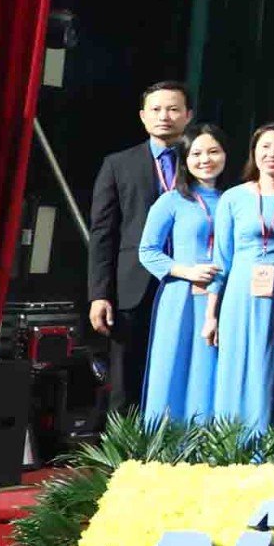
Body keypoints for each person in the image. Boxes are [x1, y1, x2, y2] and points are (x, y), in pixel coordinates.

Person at [88, 80, 192, 410]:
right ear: (143, 116)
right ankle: (123, 443)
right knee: (126, 380)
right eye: (156, 109)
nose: (165, 116)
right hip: (133, 286)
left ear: (188, 116)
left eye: (173, 109)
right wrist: (99, 294)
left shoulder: (202, 161)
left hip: (189, 282)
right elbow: (103, 233)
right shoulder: (118, 165)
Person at [206, 123, 274, 433]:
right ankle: (228, 445)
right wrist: (211, 315)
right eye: (265, 146)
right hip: (238, 297)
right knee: (234, 370)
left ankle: (267, 445)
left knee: (268, 372)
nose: (273, 154)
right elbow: (221, 259)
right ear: (254, 152)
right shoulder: (233, 198)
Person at [135, 124, 229, 423]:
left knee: (212, 372)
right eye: (196, 153)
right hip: (181, 298)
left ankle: (213, 442)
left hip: (226, 299)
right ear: (185, 160)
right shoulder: (172, 200)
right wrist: (187, 271)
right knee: (174, 370)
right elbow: (147, 251)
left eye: (213, 151)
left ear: (226, 155)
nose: (205, 160)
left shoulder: (235, 198)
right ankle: (167, 443)